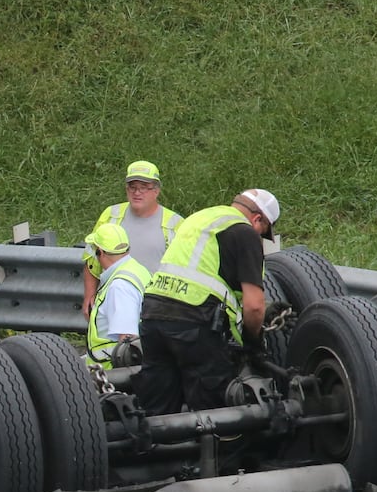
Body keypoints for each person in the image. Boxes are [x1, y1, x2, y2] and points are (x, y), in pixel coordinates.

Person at [134, 188, 280, 415]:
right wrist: (253, 342)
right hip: (193, 320)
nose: (260, 236)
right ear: (257, 219)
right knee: (213, 411)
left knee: (157, 405)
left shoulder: (199, 219)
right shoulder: (245, 232)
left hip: (152, 312)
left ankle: (156, 448)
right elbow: (254, 305)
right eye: (263, 232)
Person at [83, 161, 182, 317]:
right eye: (133, 187)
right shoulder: (111, 215)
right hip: (113, 302)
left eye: (144, 187)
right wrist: (89, 296)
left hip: (155, 306)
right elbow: (91, 261)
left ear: (156, 191)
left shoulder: (175, 224)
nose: (137, 193)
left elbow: (182, 272)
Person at [84, 222, 150, 368]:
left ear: (99, 252)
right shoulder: (137, 269)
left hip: (112, 376)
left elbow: (128, 345)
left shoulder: (120, 287)